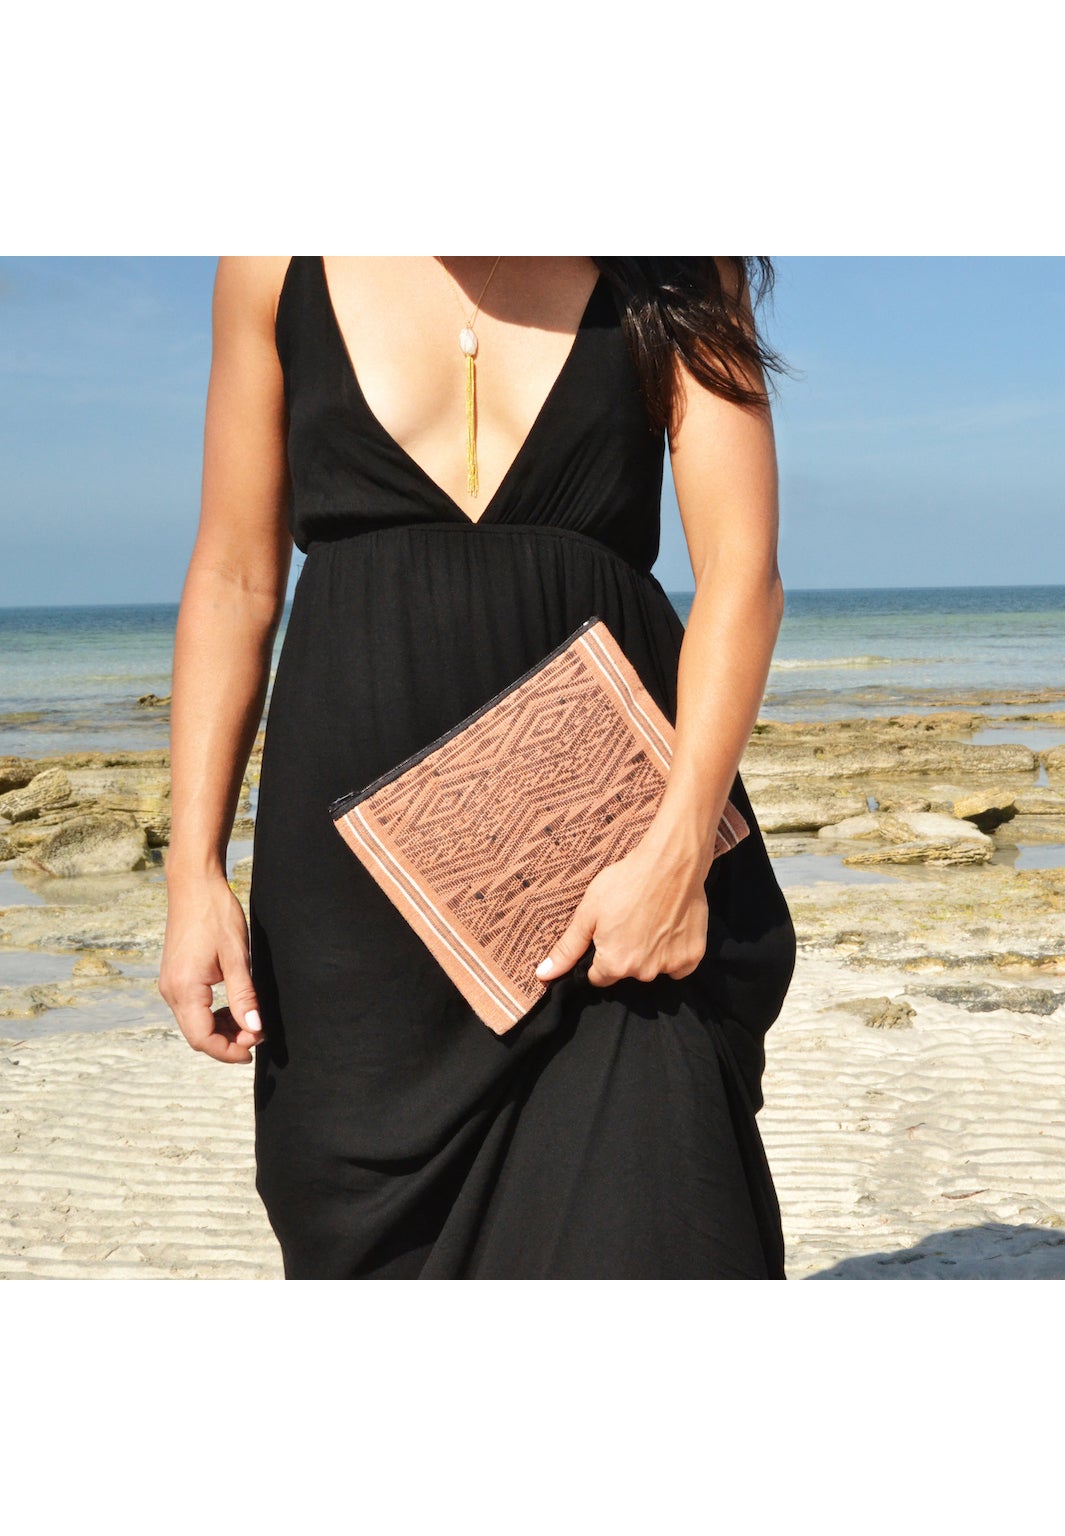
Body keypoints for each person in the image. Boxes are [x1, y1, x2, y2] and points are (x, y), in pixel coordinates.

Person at [158, 256, 798, 1278]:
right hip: (354, 921)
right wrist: (191, 872)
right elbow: (233, 579)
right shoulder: (273, 266)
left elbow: (741, 566)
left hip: (612, 874)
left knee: (666, 1228)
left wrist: (676, 852)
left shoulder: (672, 257)